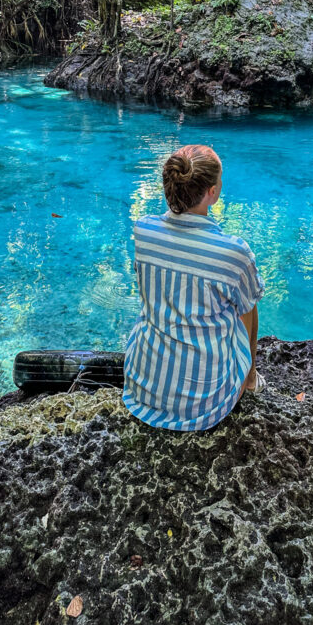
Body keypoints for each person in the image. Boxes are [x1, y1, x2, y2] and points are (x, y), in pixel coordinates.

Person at [122, 144, 266, 431]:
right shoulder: (234, 252)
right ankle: (250, 378)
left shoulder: (144, 231)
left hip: (143, 389)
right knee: (245, 307)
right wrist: (247, 373)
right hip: (205, 404)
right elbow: (248, 309)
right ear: (212, 192)